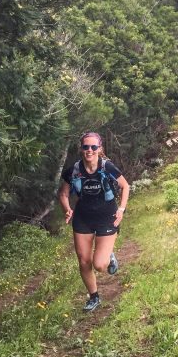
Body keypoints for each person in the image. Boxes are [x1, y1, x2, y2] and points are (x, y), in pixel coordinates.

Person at [58, 131, 130, 312]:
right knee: (83, 261)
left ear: (99, 149)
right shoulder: (73, 171)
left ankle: (109, 256)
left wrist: (121, 209)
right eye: (85, 147)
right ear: (81, 149)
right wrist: (67, 208)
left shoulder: (107, 167)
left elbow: (125, 186)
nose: (89, 150)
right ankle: (94, 297)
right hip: (83, 218)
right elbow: (64, 193)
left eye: (93, 147)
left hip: (107, 217)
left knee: (99, 265)